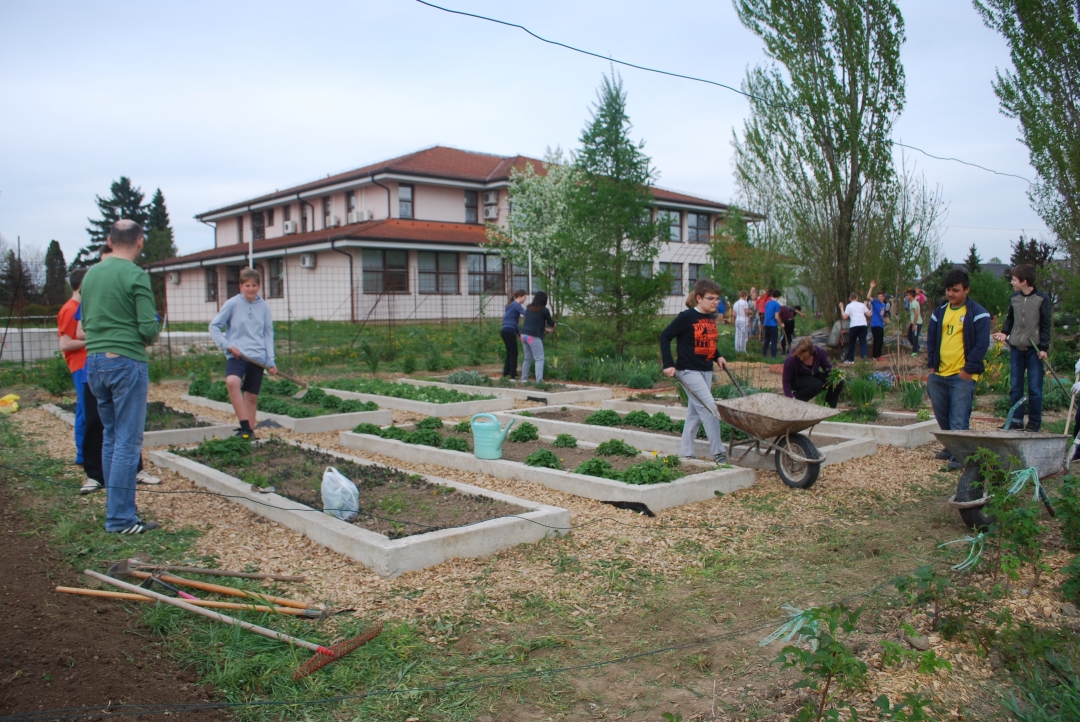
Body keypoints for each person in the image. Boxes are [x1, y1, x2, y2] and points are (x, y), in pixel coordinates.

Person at [80, 220, 162, 534]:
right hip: (126, 361)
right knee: (128, 441)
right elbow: (148, 329)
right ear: (140, 242)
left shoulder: (91, 274)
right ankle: (121, 519)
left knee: (111, 437)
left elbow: (86, 323)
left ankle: (116, 512)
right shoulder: (135, 275)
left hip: (95, 363)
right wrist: (154, 327)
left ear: (109, 241)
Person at [926, 268, 991, 469]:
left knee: (958, 417)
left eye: (955, 290)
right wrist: (931, 367)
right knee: (941, 413)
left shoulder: (978, 313)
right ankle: (951, 446)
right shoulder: (940, 312)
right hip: (939, 374)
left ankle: (960, 457)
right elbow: (931, 339)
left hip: (962, 374)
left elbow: (981, 344)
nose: (950, 294)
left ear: (966, 290)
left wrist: (968, 370)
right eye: (948, 290)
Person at [659, 278, 728, 464]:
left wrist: (718, 356)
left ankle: (686, 452)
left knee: (695, 413)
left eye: (717, 299)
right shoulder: (686, 317)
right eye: (711, 298)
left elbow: (708, 342)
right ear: (699, 298)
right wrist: (668, 364)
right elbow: (664, 336)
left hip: (705, 370)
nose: (715, 302)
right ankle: (719, 454)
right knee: (710, 409)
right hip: (688, 371)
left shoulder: (711, 317)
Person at [209, 267, 277, 440]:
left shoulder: (264, 307)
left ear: (259, 287)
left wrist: (270, 360)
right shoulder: (232, 304)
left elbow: (268, 333)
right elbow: (214, 326)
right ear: (240, 286)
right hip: (237, 354)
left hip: (257, 356)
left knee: (251, 395)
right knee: (232, 382)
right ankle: (245, 426)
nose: (251, 289)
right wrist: (227, 346)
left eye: (254, 285)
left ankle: (249, 434)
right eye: (247, 285)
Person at [991, 264, 1052, 431]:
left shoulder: (1042, 299)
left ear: (1024, 282)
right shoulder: (1014, 298)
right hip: (1017, 348)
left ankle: (1034, 423)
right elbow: (1010, 319)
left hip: (1035, 349)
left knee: (1034, 388)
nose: (1012, 282)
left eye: (1014, 280)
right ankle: (1016, 420)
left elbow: (1046, 324)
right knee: (1015, 386)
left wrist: (1044, 347)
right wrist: (1004, 332)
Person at [57, 268, 88, 466]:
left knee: (82, 410)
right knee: (88, 410)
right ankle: (86, 454)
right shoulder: (70, 309)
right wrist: (93, 340)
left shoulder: (78, 307)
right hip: (80, 364)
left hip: (83, 364)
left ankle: (83, 453)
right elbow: (66, 344)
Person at [782, 337, 843, 408]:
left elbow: (827, 368)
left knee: (838, 382)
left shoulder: (819, 353)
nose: (801, 358)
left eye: (804, 357)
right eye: (799, 356)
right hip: (797, 379)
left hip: (813, 375)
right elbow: (786, 380)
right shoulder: (791, 359)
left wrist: (836, 374)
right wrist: (789, 397)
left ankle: (829, 408)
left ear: (811, 354)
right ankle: (796, 401)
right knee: (817, 385)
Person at [520, 291, 555, 383]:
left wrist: (546, 330)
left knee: (527, 358)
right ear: (544, 300)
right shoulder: (544, 310)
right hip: (533, 337)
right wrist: (554, 325)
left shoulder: (528, 308)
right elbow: (550, 322)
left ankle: (524, 379)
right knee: (539, 359)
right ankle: (539, 381)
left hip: (524, 335)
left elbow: (535, 323)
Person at [500, 289, 527, 378]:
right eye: (524, 297)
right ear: (520, 296)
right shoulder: (516, 305)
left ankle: (506, 372)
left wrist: (519, 334)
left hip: (504, 330)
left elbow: (513, 322)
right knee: (514, 353)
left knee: (510, 352)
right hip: (510, 330)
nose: (525, 299)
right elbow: (526, 314)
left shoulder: (510, 305)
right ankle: (513, 374)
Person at [840, 292, 870, 364]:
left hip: (854, 325)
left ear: (850, 298)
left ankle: (851, 359)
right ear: (857, 298)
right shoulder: (862, 305)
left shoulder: (849, 306)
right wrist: (866, 305)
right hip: (863, 324)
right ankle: (864, 359)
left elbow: (845, 317)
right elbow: (868, 314)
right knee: (863, 342)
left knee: (852, 342)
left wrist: (841, 308)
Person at [866, 280, 888, 360]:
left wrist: (886, 320)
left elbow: (883, 314)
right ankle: (875, 356)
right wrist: (871, 287)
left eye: (881, 296)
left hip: (880, 324)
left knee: (881, 340)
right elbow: (868, 296)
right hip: (875, 324)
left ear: (883, 297)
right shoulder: (875, 302)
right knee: (877, 340)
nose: (879, 298)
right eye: (878, 296)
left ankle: (879, 355)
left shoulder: (883, 304)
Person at [763, 290, 782, 358]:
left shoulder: (767, 303)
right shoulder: (777, 305)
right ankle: (773, 356)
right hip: (773, 324)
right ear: (778, 297)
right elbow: (776, 317)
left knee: (766, 340)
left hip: (766, 323)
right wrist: (781, 324)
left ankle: (764, 354)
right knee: (774, 341)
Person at [906, 289, 922, 356]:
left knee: (915, 337)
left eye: (908, 295)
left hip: (917, 323)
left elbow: (916, 314)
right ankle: (917, 347)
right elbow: (912, 314)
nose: (907, 296)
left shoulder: (914, 303)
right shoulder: (911, 303)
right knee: (909, 336)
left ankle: (915, 352)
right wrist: (910, 322)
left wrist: (914, 324)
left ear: (911, 295)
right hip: (913, 322)